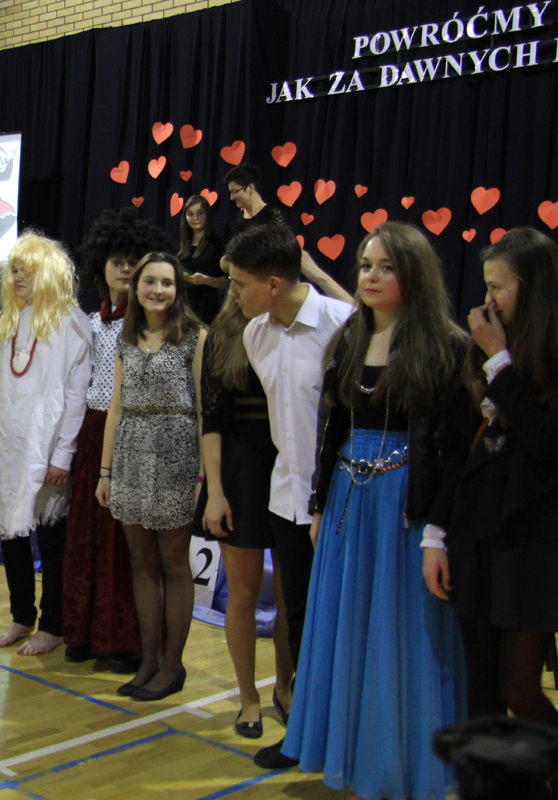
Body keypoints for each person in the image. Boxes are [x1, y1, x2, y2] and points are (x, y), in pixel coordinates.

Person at [263, 223, 468, 798]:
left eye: (386, 267)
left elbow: (455, 453)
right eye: (365, 265)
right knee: (346, 631)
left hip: (405, 507)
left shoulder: (446, 346)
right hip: (349, 502)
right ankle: (350, 759)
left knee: (399, 636)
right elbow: (332, 430)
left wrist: (436, 529)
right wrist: (319, 503)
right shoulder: (351, 337)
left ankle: (399, 767)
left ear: (413, 275)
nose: (371, 276)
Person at [422, 227, 558, 800]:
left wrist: (501, 363)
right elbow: (458, 452)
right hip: (474, 528)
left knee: (520, 689)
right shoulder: (482, 347)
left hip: (532, 532)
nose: (488, 301)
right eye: (485, 287)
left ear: (531, 287)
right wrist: (435, 532)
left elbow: (547, 440)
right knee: (480, 690)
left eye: (497, 287)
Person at [225, 224, 353, 764]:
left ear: (273, 284)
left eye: (239, 283)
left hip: (342, 502)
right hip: (286, 498)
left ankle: (348, 736)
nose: (233, 293)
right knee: (297, 621)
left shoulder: (343, 325)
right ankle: (306, 735)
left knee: (344, 623)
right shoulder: (255, 334)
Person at [96, 252, 206, 700]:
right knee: (141, 562)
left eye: (167, 282)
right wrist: (105, 472)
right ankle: (149, 661)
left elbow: (204, 409)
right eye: (150, 282)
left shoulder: (195, 337)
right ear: (136, 287)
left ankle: (173, 665)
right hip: (130, 455)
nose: (158, 290)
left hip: (177, 455)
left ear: (178, 289)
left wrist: (203, 477)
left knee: (174, 563)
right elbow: (115, 407)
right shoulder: (127, 337)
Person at [63, 207, 169, 671]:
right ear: (100, 265)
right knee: (87, 536)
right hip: (92, 433)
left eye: (132, 261)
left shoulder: (151, 326)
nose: (124, 269)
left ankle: (125, 641)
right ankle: (85, 633)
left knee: (127, 547)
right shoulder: (90, 322)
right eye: (116, 261)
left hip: (134, 436)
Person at [195, 261, 291, 738]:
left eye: (239, 279)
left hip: (292, 467)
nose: (232, 289)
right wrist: (214, 490)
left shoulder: (296, 329)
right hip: (240, 471)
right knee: (244, 594)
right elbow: (211, 421)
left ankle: (286, 688)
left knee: (292, 599)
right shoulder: (222, 335)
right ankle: (248, 696)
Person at [0, 233, 91, 656]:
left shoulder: (71, 322)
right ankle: (21, 615)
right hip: (10, 448)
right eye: (14, 270)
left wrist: (62, 454)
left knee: (51, 539)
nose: (18, 278)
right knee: (11, 534)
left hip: (47, 450)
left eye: (27, 271)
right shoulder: (8, 322)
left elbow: (76, 396)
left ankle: (53, 624)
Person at [176, 195, 226, 323]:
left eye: (200, 213)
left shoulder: (216, 245)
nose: (195, 218)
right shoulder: (183, 245)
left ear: (207, 215)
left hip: (205, 306)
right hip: (182, 305)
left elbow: (225, 282)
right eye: (190, 214)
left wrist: (205, 280)